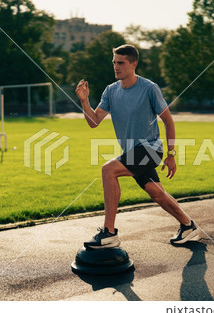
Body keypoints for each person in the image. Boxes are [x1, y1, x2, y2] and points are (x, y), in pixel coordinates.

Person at [75, 44, 198, 249]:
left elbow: (168, 120)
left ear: (134, 64)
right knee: (155, 192)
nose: (116, 67)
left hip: (150, 149)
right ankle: (188, 225)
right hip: (132, 152)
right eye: (114, 62)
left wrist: (171, 154)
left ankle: (109, 233)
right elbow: (94, 121)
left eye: (121, 63)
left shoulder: (149, 88)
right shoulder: (111, 91)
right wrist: (84, 101)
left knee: (108, 170)